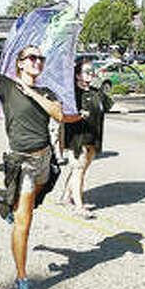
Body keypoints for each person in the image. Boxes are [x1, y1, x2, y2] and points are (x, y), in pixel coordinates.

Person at [0, 1, 79, 289]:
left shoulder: (46, 91)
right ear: (20, 63)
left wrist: (34, 92)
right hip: (21, 161)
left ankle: (8, 204)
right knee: (25, 221)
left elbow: (59, 114)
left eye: (41, 58)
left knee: (34, 199)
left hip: (44, 161)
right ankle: (22, 278)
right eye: (32, 58)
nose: (38, 62)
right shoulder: (7, 86)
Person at [59, 58, 107, 218]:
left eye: (91, 71)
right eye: (87, 72)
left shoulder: (94, 92)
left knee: (80, 169)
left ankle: (66, 196)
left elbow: (107, 105)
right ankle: (78, 206)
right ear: (77, 75)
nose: (91, 74)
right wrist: (78, 114)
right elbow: (63, 113)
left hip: (93, 136)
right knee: (78, 169)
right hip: (77, 138)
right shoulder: (71, 94)